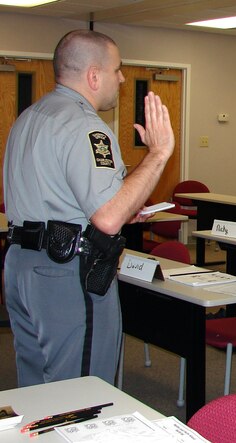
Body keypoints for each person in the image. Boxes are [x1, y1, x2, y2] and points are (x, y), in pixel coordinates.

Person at [3, 29, 174, 387]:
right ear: (94, 76)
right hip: (65, 272)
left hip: (21, 266)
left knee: (37, 387)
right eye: (117, 70)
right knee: (81, 392)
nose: (123, 78)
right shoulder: (85, 126)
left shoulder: (29, 118)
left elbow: (66, 195)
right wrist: (158, 153)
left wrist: (128, 204)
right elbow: (109, 218)